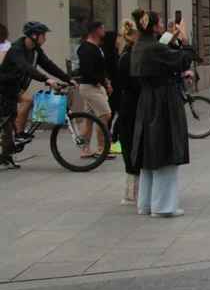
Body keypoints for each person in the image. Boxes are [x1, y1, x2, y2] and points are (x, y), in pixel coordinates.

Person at [129, 8, 198, 217]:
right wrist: (185, 38)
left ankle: (146, 202)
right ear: (153, 26)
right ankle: (163, 205)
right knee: (165, 149)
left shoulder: (139, 46)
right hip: (163, 100)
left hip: (148, 100)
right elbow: (182, 60)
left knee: (150, 152)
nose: (161, 26)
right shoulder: (153, 48)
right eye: (158, 23)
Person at [0, 22, 70, 141]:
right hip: (3, 88)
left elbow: (48, 65)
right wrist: (46, 79)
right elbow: (26, 67)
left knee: (7, 130)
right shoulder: (16, 49)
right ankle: (20, 133)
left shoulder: (35, 51)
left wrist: (68, 79)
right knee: (28, 100)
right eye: (43, 35)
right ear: (33, 36)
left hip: (14, 88)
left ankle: (6, 156)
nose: (45, 38)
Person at [76, 20, 114, 159]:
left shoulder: (96, 48)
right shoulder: (86, 49)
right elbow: (87, 70)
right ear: (98, 31)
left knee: (89, 118)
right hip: (91, 86)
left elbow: (100, 68)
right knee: (105, 115)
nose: (104, 32)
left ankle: (85, 149)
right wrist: (97, 82)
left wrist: (105, 81)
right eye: (103, 29)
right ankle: (101, 147)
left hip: (95, 85)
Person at [113, 19, 140, 203]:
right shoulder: (130, 58)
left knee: (131, 149)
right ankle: (131, 193)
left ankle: (132, 192)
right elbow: (134, 85)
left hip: (127, 108)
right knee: (132, 149)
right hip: (131, 108)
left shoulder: (125, 55)